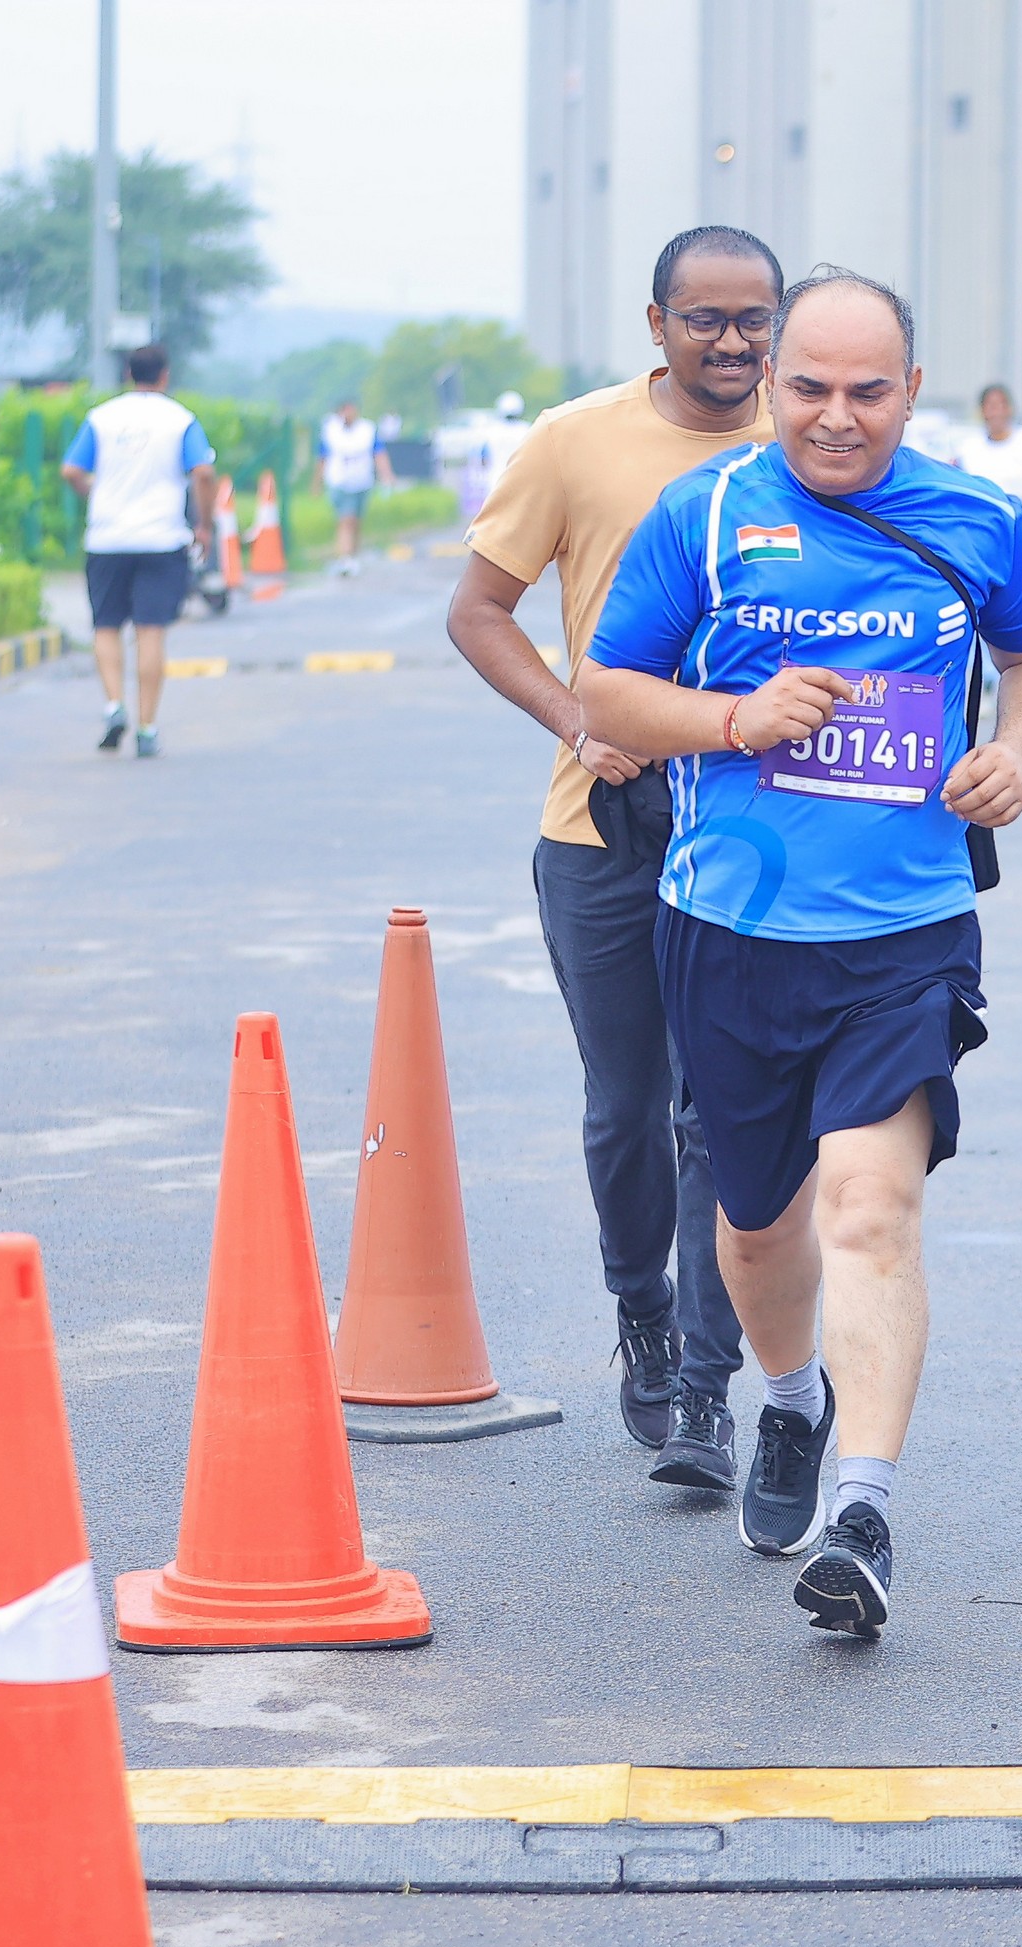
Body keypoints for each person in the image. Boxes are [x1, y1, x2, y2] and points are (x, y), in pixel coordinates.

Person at [578, 268, 1022, 1640]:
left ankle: (862, 1513)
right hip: (729, 928)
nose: (836, 417)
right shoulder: (705, 515)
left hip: (904, 932)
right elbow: (604, 691)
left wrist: (1015, 751)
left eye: (867, 392)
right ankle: (790, 1398)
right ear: (771, 383)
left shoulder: (975, 517)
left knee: (868, 1205)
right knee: (757, 1227)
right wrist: (733, 720)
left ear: (911, 392)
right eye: (807, 388)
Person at [446, 226, 782, 1487]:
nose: (733, 342)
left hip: (752, 833)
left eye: (753, 319)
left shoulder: (808, 440)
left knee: (719, 1109)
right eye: (705, 319)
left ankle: (704, 1386)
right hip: (603, 828)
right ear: (657, 324)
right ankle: (640, 1310)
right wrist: (574, 718)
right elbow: (479, 611)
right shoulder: (575, 442)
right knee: (628, 1107)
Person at [61, 344, 214, 759]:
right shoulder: (180, 420)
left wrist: (92, 492)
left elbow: (71, 469)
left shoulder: (102, 418)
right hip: (161, 539)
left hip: (107, 538)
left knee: (106, 626)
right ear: (165, 375)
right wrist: (204, 525)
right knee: (150, 632)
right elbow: (203, 472)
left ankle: (114, 705)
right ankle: (147, 728)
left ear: (128, 374)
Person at [953, 383, 1022, 557]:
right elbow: (959, 502)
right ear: (982, 411)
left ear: (1010, 409)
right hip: (982, 546)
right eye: (991, 406)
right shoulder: (967, 450)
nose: (997, 412)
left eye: (1002, 405)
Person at [319, 397, 391, 574]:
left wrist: (386, 475)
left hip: (362, 482)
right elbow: (322, 457)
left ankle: (352, 556)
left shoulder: (367, 430)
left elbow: (379, 453)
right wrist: (317, 482)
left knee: (356, 522)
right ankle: (345, 558)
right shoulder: (331, 430)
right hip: (340, 482)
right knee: (346, 520)